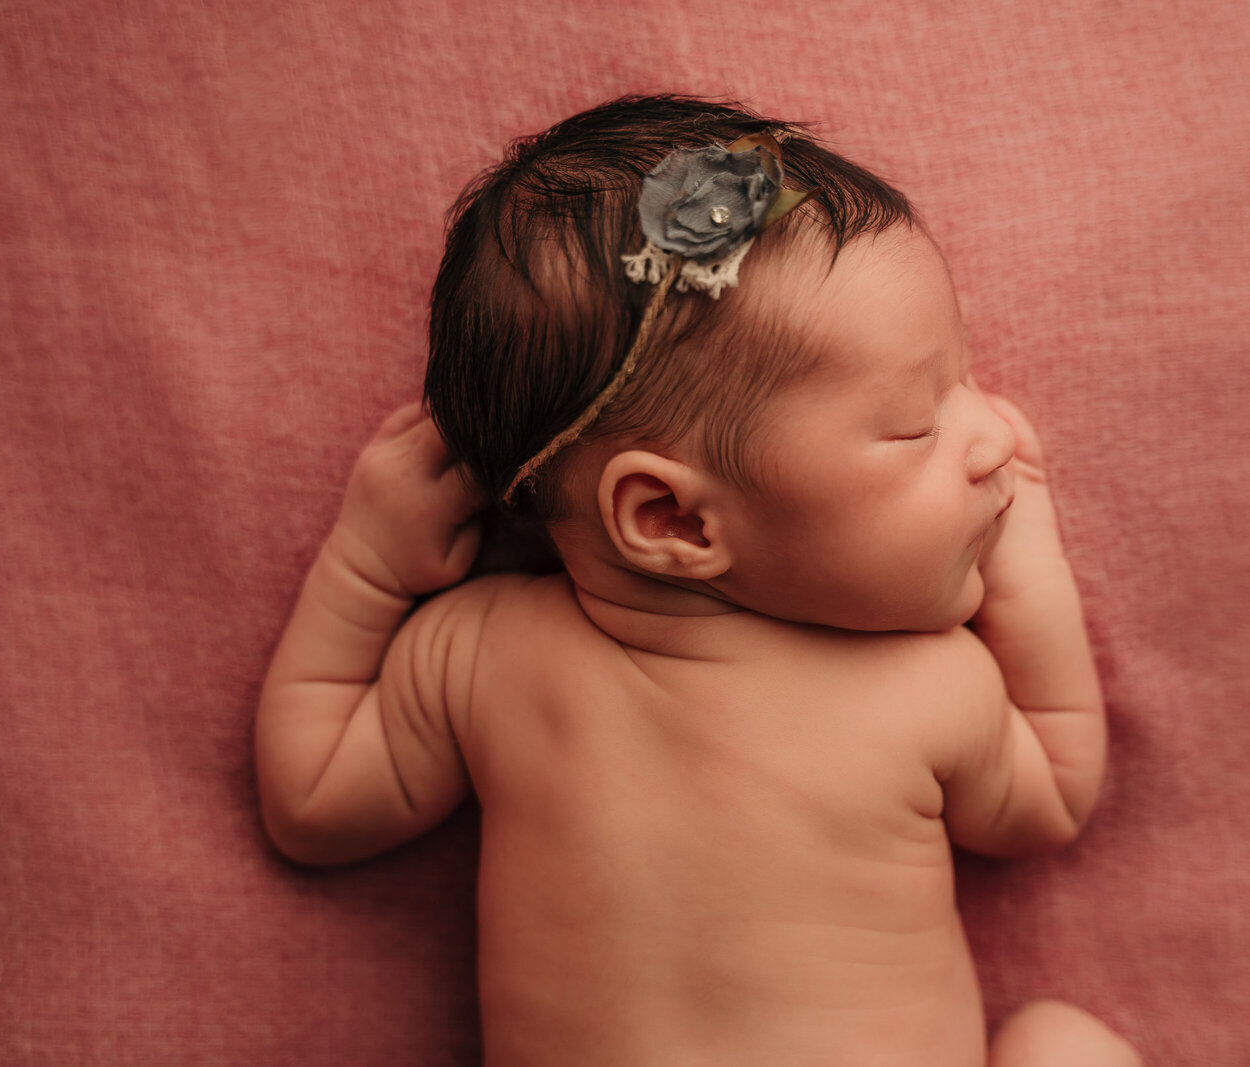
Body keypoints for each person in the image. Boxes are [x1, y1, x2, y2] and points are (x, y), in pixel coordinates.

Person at [256, 94, 1141, 1066]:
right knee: (1063, 1043)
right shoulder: (924, 684)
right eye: (917, 423)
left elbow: (312, 797)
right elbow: (1054, 790)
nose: (996, 437)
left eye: (961, 378)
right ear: (672, 518)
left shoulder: (477, 656)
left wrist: (369, 561)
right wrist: (1025, 545)